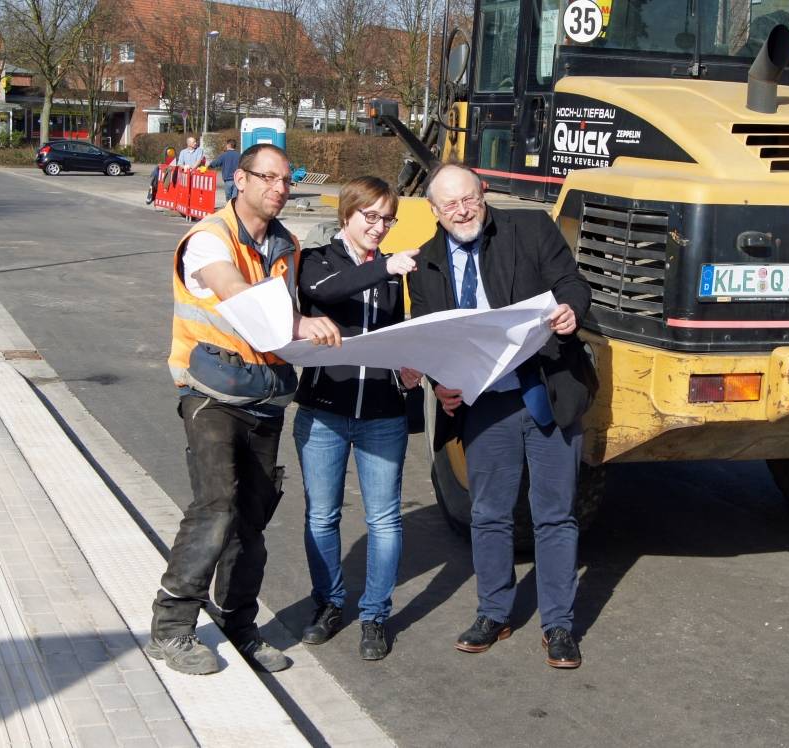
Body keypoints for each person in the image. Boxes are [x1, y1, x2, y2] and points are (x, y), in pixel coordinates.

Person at [146, 144, 341, 676]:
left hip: (265, 393)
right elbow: (233, 291)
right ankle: (172, 627)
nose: (279, 188)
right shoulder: (209, 238)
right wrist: (296, 326)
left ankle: (238, 622)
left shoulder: (286, 244)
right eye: (267, 178)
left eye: (286, 179)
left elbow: (295, 306)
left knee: (251, 521)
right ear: (240, 180)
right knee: (216, 506)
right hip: (210, 392)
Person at [408, 163, 592, 669]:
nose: (463, 210)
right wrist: (438, 382)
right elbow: (429, 340)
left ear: (482, 193)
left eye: (469, 198)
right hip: (485, 404)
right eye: (450, 205)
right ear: (434, 211)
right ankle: (494, 612)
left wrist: (571, 311)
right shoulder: (426, 265)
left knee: (554, 514)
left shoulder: (529, 229)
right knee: (488, 514)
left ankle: (558, 625)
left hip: (545, 392)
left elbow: (572, 282)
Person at [293, 177, 422, 661]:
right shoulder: (317, 261)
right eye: (371, 216)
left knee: (385, 519)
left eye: (388, 219)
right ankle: (328, 603)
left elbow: (405, 331)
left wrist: (412, 367)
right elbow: (325, 293)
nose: (380, 227)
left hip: (383, 415)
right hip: (324, 412)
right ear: (347, 214)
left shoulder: (397, 272)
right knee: (322, 516)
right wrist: (386, 266)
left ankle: (375, 615)